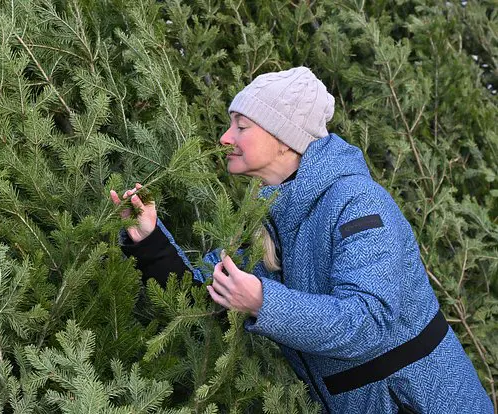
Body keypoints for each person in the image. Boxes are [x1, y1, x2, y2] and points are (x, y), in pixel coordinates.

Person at [110, 67, 493, 413]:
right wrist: (149, 240)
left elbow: (368, 324)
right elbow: (204, 298)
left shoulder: (358, 204)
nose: (225, 137)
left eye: (242, 126)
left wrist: (263, 301)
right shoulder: (271, 218)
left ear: (283, 138)